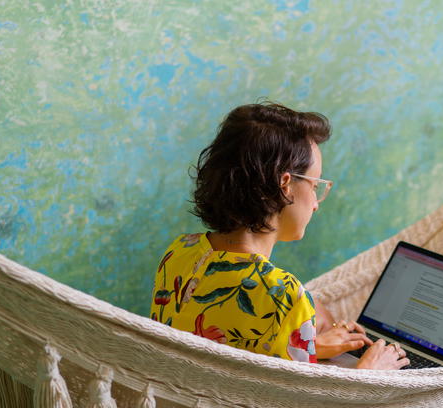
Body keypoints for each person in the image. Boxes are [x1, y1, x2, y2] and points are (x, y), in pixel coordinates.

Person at [150, 102, 408, 370]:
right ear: (285, 186)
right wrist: (369, 372)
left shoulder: (179, 252)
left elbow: (235, 354)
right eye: (315, 185)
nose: (317, 203)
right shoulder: (284, 295)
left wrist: (304, 346)